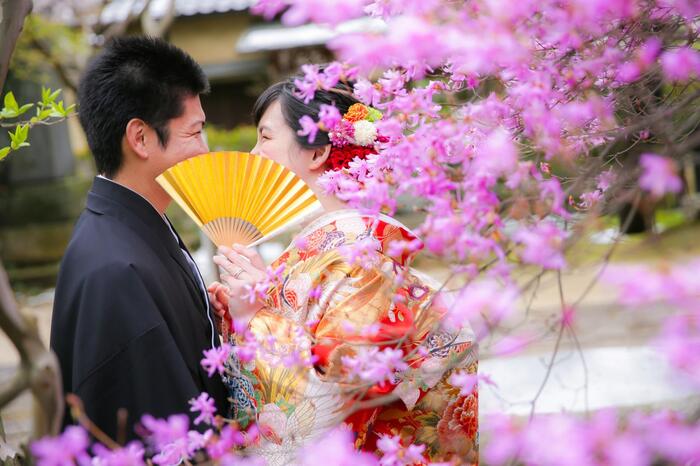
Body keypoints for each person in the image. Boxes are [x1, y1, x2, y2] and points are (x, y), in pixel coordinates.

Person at [210, 76, 479, 464]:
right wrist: (253, 298)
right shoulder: (329, 248)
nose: (253, 153)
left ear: (317, 153)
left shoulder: (360, 258)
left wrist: (255, 318)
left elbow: (335, 395)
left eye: (265, 138)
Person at [51, 36, 228, 441]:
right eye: (194, 132)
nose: (205, 150)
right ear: (141, 138)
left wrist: (212, 319)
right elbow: (155, 426)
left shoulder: (133, 225)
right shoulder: (114, 269)